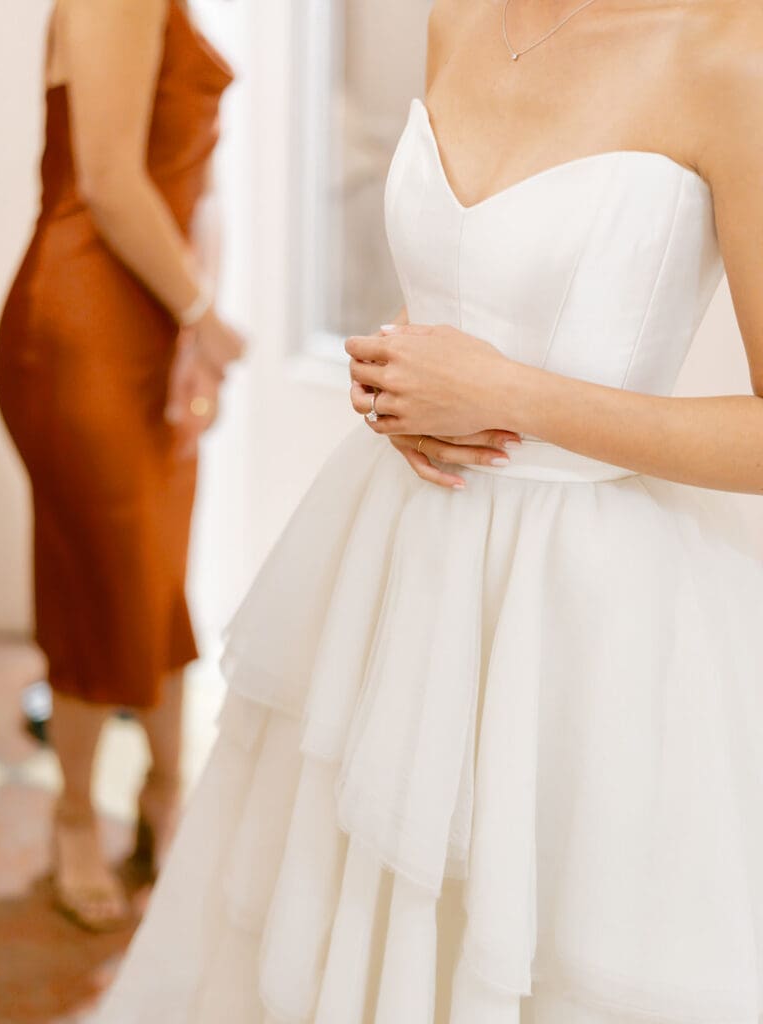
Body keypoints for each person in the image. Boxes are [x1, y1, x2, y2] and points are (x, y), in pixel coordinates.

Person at [94, 0, 763, 1020]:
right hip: (395, 563)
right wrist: (393, 373)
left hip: (582, 612)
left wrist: (511, 396)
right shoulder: (458, 19)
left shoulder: (731, 50)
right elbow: (463, 284)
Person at [0, 0, 243, 932]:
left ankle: (165, 798)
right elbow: (106, 181)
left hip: (156, 325)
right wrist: (204, 319)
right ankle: (73, 819)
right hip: (83, 327)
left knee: (159, 575)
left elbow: (200, 188)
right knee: (98, 587)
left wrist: (190, 332)